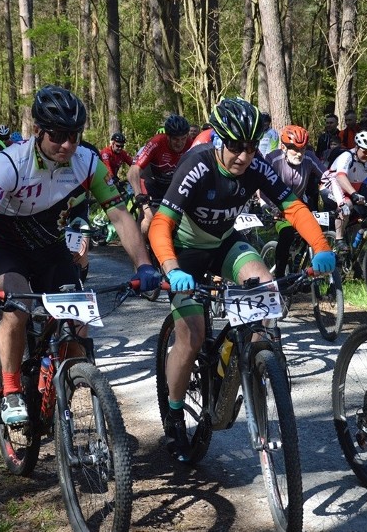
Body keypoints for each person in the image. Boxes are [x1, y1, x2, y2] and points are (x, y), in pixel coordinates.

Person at [147, 97, 336, 461]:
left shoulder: (257, 167)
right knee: (193, 334)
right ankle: (173, 413)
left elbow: (293, 207)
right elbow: (161, 223)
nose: (244, 156)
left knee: (264, 288)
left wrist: (320, 245)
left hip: (222, 243)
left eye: (251, 147)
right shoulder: (196, 165)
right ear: (218, 140)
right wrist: (172, 269)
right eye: (235, 146)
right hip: (184, 251)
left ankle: (255, 360)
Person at [0, 85, 159, 424]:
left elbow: (120, 216)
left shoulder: (87, 163)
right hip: (5, 247)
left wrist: (143, 264)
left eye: (75, 135)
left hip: (49, 248)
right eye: (58, 135)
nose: (67, 144)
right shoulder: (9, 163)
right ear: (38, 131)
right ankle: (10, 392)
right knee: (18, 309)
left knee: (79, 329)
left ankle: (56, 383)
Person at [263, 125, 325, 277]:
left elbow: (327, 176)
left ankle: (299, 266)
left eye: (302, 149)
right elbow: (262, 187)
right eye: (295, 149)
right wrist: (270, 207)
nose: (299, 154)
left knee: (314, 231)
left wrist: (339, 199)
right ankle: (279, 277)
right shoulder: (272, 158)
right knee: (287, 234)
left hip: (298, 205)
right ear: (283, 147)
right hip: (276, 206)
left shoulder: (309, 157)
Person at [127, 114, 193, 237]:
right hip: (150, 185)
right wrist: (139, 196)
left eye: (183, 138)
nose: (180, 143)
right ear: (167, 136)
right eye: (175, 139)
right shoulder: (156, 142)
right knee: (149, 218)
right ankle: (140, 250)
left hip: (171, 186)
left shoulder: (190, 143)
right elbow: (133, 172)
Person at [320, 130, 367, 252]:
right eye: (365, 151)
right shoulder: (347, 156)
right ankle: (338, 239)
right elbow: (341, 177)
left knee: (365, 216)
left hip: (349, 191)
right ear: (357, 147)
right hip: (330, 186)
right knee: (347, 206)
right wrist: (354, 194)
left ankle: (352, 252)